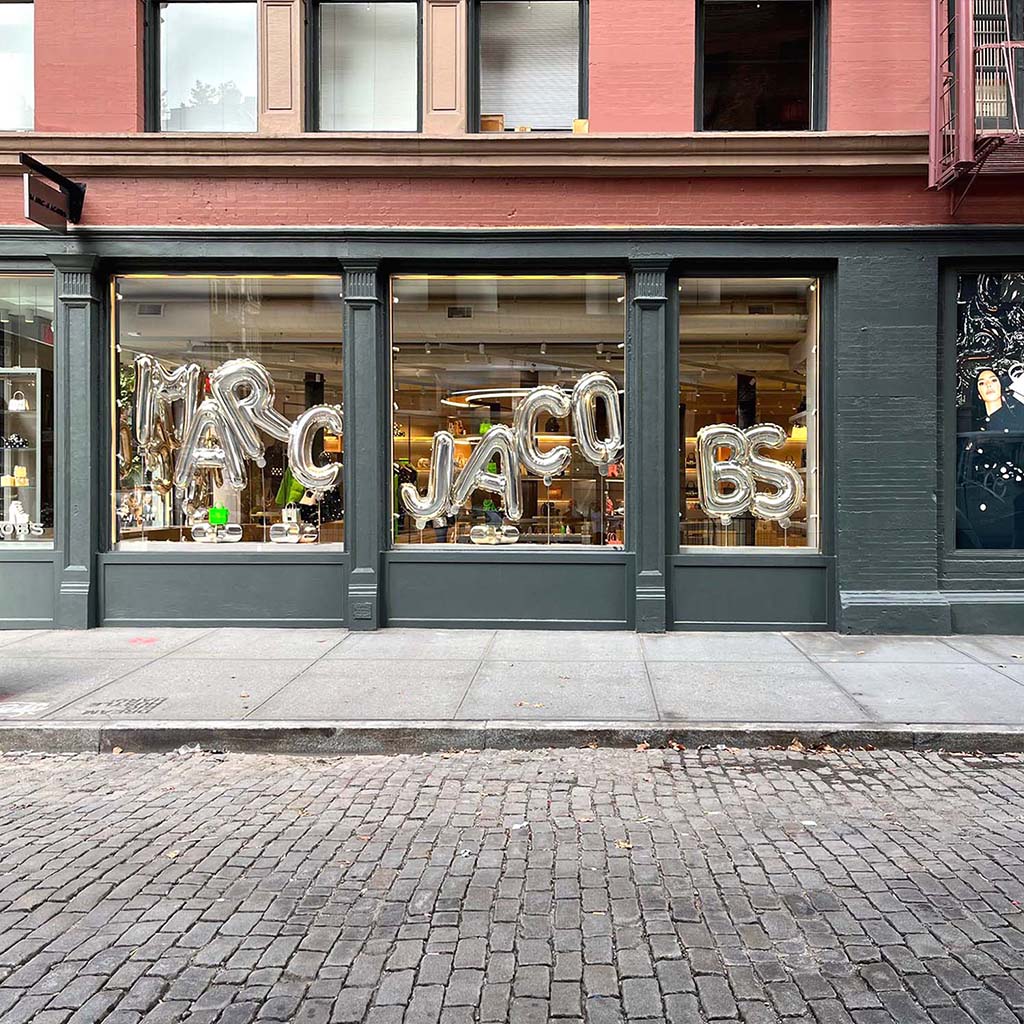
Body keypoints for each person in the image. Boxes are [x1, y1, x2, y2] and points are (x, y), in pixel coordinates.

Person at [957, 367, 1024, 548]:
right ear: (978, 393)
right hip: (983, 502)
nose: (988, 385)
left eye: (993, 380)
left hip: (1015, 499)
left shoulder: (1018, 416)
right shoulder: (976, 428)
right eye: (981, 382)